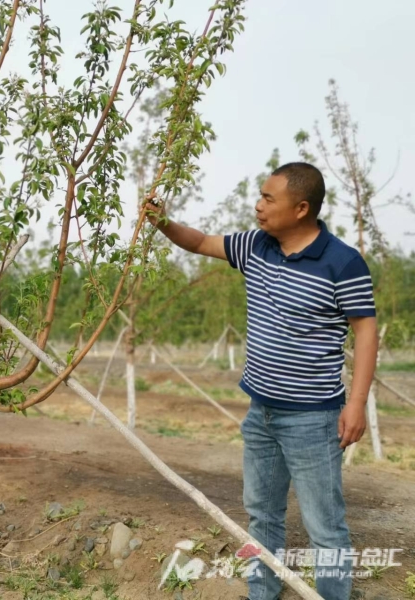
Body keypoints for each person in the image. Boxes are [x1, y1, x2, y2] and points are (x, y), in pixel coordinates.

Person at [150, 162, 377, 600]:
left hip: (313, 419)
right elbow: (197, 242)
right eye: (260, 195)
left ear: (301, 208)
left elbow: (365, 331)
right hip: (261, 414)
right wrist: (161, 221)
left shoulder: (343, 262)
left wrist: (357, 403)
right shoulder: (255, 246)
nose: (258, 206)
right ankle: (263, 594)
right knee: (262, 517)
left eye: (269, 199)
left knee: (325, 527)